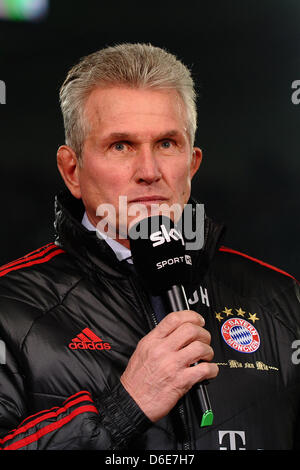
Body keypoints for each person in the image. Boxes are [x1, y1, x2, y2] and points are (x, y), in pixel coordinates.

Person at [0, 43, 299, 451]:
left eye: (166, 144)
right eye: (120, 145)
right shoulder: (9, 307)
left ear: (192, 164)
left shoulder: (281, 297)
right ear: (72, 169)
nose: (149, 172)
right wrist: (123, 410)